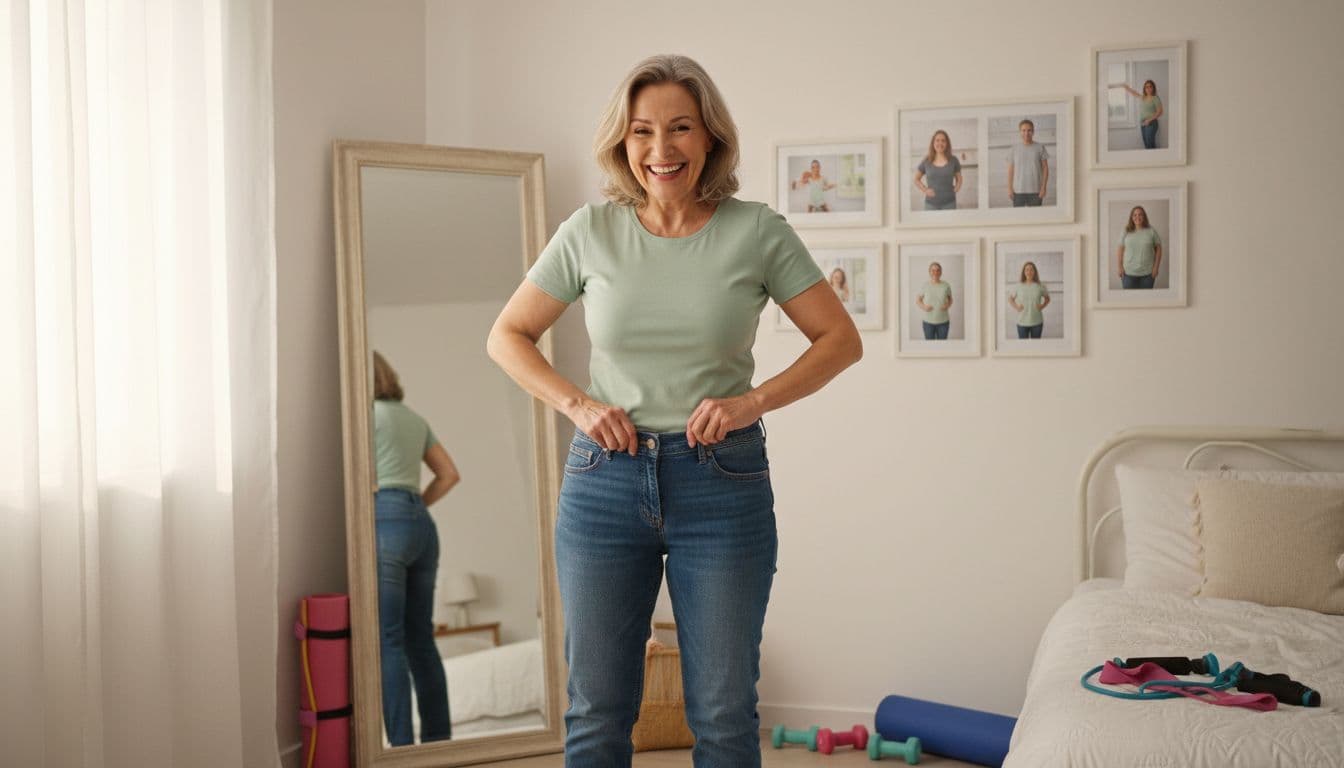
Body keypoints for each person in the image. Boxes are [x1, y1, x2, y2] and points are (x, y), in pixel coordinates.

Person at [486, 54, 862, 768]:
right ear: (622, 144)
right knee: (597, 711)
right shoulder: (589, 231)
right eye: (642, 132)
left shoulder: (756, 231)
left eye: (681, 128)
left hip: (722, 485)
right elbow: (506, 335)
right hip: (604, 482)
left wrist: (751, 402)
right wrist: (578, 403)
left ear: (711, 137)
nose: (662, 150)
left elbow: (840, 340)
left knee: (721, 714)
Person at [371, 351, 461, 746]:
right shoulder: (412, 418)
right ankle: (439, 742)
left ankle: (403, 748)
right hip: (421, 527)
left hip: (382, 518)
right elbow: (449, 475)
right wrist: (415, 508)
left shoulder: (363, 417)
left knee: (387, 638)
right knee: (420, 638)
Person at [913, 130, 962, 211]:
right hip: (930, 205)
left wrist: (957, 187)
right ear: (933, 143)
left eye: (943, 141)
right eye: (937, 140)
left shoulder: (954, 160)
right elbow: (916, 179)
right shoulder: (927, 160)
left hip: (949, 204)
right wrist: (925, 190)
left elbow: (959, 178)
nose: (940, 143)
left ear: (947, 144)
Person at [1116, 205, 1163, 289]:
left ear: (1144, 216)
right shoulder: (1126, 231)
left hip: (1148, 274)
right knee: (1129, 300)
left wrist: (1156, 267)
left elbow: (1158, 249)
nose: (1137, 217)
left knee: (1146, 300)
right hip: (1128, 274)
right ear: (1131, 217)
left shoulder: (1151, 231)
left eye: (1140, 214)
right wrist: (1120, 267)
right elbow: (1120, 249)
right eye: (1135, 215)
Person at [1007, 119, 1049, 207]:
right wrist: (1010, 188)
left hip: (1036, 191)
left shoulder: (1040, 147)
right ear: (1020, 132)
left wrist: (1043, 187)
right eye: (1024, 130)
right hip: (1018, 191)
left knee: (1036, 218)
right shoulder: (1014, 149)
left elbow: (1045, 168)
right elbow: (1011, 170)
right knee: (1018, 219)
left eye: (1029, 130)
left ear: (1033, 132)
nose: (1026, 133)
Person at [1111, 79, 1164, 149]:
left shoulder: (1155, 98)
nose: (1148, 88)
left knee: (1150, 144)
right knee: (1146, 144)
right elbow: (1134, 93)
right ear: (1144, 89)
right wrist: (1126, 87)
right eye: (1146, 87)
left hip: (1151, 123)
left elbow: (1160, 112)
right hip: (1143, 123)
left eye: (1150, 86)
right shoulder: (1143, 97)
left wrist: (1149, 120)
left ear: (1153, 88)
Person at [1008, 261, 1050, 339]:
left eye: (1031, 269)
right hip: (1022, 322)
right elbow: (1010, 299)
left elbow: (1047, 298)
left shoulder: (1040, 285)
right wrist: (1017, 307)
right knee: (1023, 348)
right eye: (1027, 269)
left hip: (1037, 322)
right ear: (1024, 272)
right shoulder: (1018, 285)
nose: (1029, 272)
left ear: (1034, 272)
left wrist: (1042, 306)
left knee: (1036, 347)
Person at [914, 261, 953, 340]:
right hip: (928, 322)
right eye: (933, 270)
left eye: (938, 270)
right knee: (929, 348)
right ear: (929, 272)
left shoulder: (946, 285)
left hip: (943, 322)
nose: (936, 272)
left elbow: (951, 299)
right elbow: (918, 300)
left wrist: (947, 305)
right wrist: (924, 307)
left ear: (941, 272)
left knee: (942, 347)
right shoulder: (925, 285)